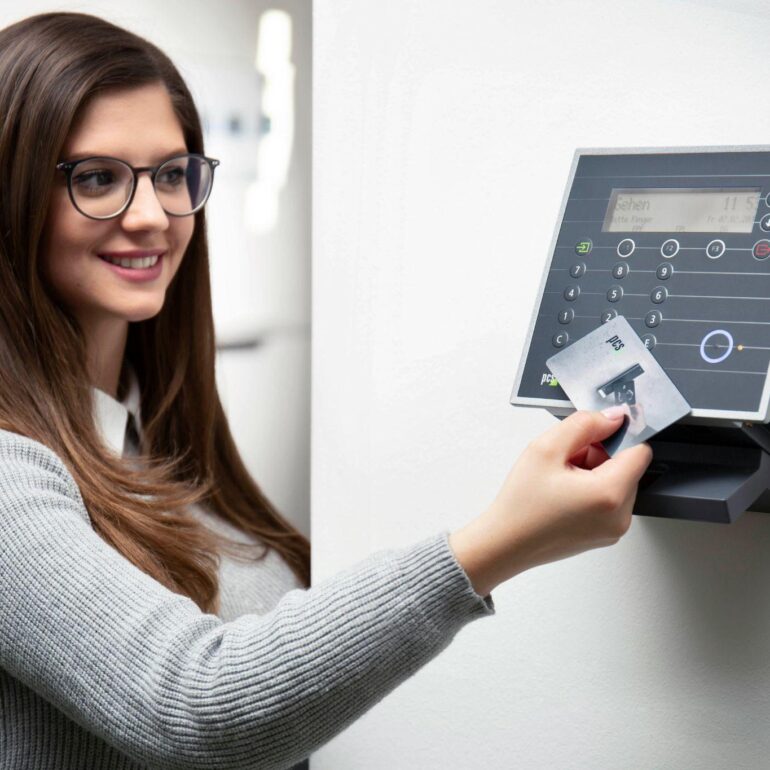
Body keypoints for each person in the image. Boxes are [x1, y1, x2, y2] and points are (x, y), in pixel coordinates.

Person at [0, 11, 653, 770]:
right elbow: (198, 707)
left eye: (173, 174)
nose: (150, 216)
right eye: (97, 178)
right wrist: (495, 544)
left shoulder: (153, 446)